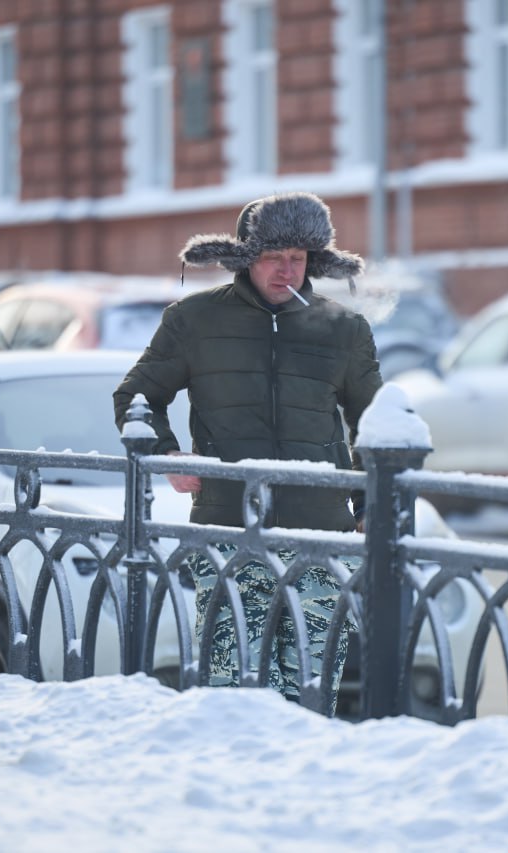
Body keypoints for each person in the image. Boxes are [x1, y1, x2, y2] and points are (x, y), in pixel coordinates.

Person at [112, 192, 382, 713]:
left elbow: (373, 423)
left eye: (298, 259)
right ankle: (230, 788)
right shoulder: (194, 321)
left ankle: (301, 788)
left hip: (319, 535)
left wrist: (368, 505)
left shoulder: (344, 330)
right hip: (229, 531)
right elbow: (137, 398)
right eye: (273, 258)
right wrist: (166, 457)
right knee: (230, 690)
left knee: (311, 688)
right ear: (245, 258)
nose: (287, 271)